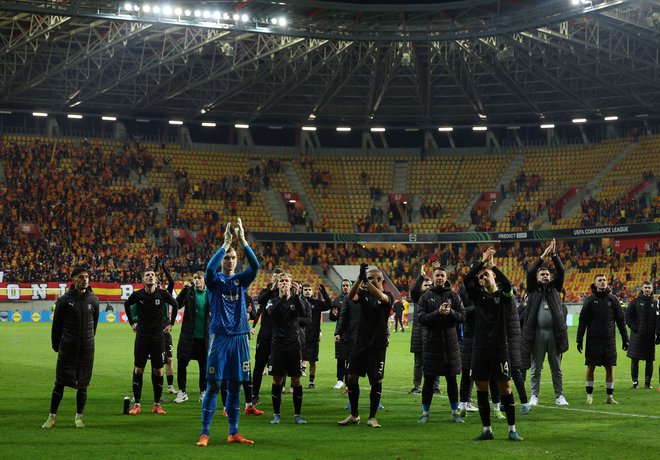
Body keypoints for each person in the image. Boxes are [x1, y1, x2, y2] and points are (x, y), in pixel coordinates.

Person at [197, 218, 259, 446]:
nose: (230, 261)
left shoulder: (241, 281)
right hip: (220, 338)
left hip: (240, 338)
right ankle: (205, 433)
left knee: (236, 386)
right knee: (213, 385)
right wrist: (225, 244)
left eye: (233, 257)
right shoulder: (215, 282)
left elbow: (256, 267)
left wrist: (242, 241)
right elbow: (208, 270)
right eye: (227, 257)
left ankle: (234, 432)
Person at [463, 247, 523, 442]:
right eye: (480, 277)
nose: (482, 279)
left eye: (486, 276)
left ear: (493, 277)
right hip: (479, 349)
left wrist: (493, 267)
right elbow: (466, 280)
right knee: (481, 389)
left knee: (505, 388)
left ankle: (512, 429)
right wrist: (481, 264)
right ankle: (487, 429)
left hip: (499, 349)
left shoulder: (504, 297)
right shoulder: (478, 297)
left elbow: (507, 284)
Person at [42, 266, 99, 429]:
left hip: (87, 348)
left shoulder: (94, 300)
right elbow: (56, 326)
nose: (85, 279)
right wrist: (56, 345)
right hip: (68, 347)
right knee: (60, 383)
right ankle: (52, 417)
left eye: (87, 276)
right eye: (81, 277)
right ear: (73, 279)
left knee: (83, 384)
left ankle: (79, 417)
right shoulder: (64, 300)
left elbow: (94, 326)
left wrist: (87, 339)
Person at [337, 264, 393, 428]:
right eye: (367, 278)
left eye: (371, 278)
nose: (368, 282)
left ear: (380, 279)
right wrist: (358, 280)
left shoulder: (388, 296)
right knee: (351, 377)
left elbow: (381, 297)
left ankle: (372, 417)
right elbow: (350, 297)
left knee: (376, 380)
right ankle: (354, 415)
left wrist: (365, 281)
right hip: (360, 343)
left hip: (378, 345)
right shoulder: (364, 295)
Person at [124, 268, 178, 415]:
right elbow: (126, 305)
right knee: (138, 370)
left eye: (152, 275)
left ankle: (157, 404)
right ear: (143, 280)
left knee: (158, 370)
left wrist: (171, 323)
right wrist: (131, 323)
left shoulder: (163, 294)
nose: (150, 277)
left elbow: (176, 305)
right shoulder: (138, 295)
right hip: (142, 337)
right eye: (147, 275)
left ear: (155, 279)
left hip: (158, 338)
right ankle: (137, 404)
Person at [522, 239, 569, 406]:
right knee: (536, 368)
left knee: (556, 368)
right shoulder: (532, 289)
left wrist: (554, 255)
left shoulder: (555, 288)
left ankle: (559, 396)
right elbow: (530, 272)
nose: (545, 276)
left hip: (555, 333)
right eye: (542, 274)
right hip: (537, 334)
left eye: (547, 274)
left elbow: (562, 271)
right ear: (537, 277)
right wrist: (542, 256)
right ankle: (534, 396)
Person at [416, 266, 466, 424]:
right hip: (432, 344)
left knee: (452, 380)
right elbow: (421, 319)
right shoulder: (425, 296)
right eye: (437, 275)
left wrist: (450, 313)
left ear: (446, 277)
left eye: (442, 276)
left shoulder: (454, 296)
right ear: (433, 276)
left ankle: (454, 412)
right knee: (429, 381)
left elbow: (463, 316)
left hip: (451, 345)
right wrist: (438, 312)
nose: (439, 278)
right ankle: (425, 413)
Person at [577, 274, 629, 405]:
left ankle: (609, 397)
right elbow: (582, 321)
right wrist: (579, 340)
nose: (602, 282)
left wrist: (625, 338)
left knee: (610, 368)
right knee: (591, 366)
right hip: (593, 340)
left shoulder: (613, 300)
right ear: (595, 284)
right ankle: (589, 396)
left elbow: (621, 321)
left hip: (609, 340)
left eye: (604, 280)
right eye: (599, 280)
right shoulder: (589, 300)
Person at [266, 272, 311, 425]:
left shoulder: (296, 300)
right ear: (277, 284)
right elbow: (271, 314)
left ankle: (297, 415)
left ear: (291, 284)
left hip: (294, 343)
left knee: (296, 379)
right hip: (278, 344)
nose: (284, 283)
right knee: (277, 379)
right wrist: (282, 298)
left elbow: (304, 313)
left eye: (287, 281)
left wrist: (296, 295)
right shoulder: (272, 300)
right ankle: (276, 414)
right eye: (282, 281)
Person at [174, 272, 209, 404]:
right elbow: (176, 305)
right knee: (182, 363)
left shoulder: (210, 293)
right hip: (188, 336)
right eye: (195, 278)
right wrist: (183, 290)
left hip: (205, 337)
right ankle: (182, 391)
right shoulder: (189, 292)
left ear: (204, 280)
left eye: (199, 278)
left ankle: (203, 392)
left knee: (204, 366)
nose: (197, 280)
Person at [251, 269, 284, 405]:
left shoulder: (285, 294)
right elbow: (260, 301)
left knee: (280, 367)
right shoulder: (266, 291)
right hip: (265, 335)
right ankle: (254, 394)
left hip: (280, 335)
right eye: (274, 277)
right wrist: (272, 289)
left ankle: (277, 395)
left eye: (279, 278)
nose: (276, 279)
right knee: (259, 365)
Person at [409, 269, 440, 395]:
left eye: (429, 285)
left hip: (433, 333)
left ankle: (435, 386)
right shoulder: (418, 298)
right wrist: (420, 277)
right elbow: (413, 291)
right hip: (418, 335)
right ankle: (417, 386)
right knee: (418, 362)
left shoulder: (436, 297)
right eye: (425, 285)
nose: (428, 287)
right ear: (421, 286)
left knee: (436, 361)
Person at [624, 281, 658, 389]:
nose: (647, 289)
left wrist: (658, 334)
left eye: (649, 287)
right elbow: (628, 317)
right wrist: (635, 328)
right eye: (645, 287)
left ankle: (647, 383)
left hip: (650, 336)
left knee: (649, 360)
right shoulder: (635, 302)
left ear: (652, 289)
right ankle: (635, 382)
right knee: (635, 359)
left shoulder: (656, 303)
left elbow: (658, 320)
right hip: (637, 336)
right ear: (642, 289)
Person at [301, 282, 333, 389]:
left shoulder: (317, 303)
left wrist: (325, 294)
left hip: (313, 337)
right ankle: (295, 383)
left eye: (309, 290)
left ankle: (311, 382)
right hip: (300, 336)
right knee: (297, 360)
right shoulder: (298, 303)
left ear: (312, 291)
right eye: (305, 290)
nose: (307, 291)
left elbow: (330, 305)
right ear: (302, 291)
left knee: (313, 361)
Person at [330, 279, 355, 390]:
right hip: (340, 333)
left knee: (350, 359)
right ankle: (339, 380)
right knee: (340, 358)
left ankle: (348, 381)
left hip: (352, 334)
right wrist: (333, 315)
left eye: (347, 285)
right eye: (343, 285)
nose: (345, 287)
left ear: (350, 286)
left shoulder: (355, 298)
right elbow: (332, 318)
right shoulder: (337, 300)